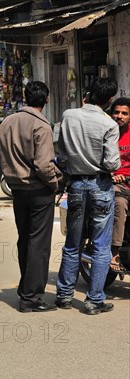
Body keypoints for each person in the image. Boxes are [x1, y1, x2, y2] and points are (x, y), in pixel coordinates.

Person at [57, 77, 120, 315]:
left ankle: (64, 295)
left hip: (75, 185)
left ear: (88, 94)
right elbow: (112, 163)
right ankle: (94, 300)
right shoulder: (109, 124)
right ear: (110, 100)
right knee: (101, 246)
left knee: (73, 243)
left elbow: (61, 154)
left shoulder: (68, 115)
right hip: (100, 186)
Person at [0, 81, 61, 313]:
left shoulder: (8, 121)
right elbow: (44, 166)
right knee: (38, 245)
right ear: (46, 100)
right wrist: (54, 183)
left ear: (25, 97)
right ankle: (31, 297)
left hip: (17, 189)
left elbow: (0, 156)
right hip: (37, 189)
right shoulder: (41, 126)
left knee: (25, 239)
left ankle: (26, 289)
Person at [110, 97, 130, 271]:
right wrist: (112, 175)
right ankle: (115, 252)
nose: (120, 116)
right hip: (114, 184)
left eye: (124, 113)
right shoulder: (107, 132)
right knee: (120, 204)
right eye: (117, 112)